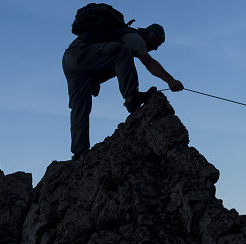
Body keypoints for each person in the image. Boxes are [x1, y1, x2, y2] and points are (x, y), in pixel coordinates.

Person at [63, 22, 184, 156]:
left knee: (80, 107)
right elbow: (148, 61)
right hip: (82, 51)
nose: (156, 48)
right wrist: (171, 80)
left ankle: (79, 151)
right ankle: (132, 97)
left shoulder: (120, 35)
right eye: (157, 42)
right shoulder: (134, 36)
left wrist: (96, 80)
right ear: (148, 33)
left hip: (70, 59)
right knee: (122, 51)